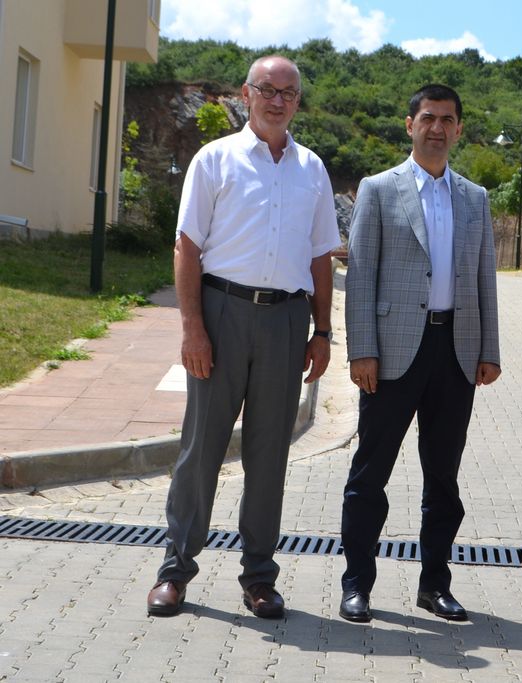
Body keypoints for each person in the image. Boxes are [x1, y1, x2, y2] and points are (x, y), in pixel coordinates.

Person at [146, 55, 339, 619]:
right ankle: (175, 570)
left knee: (268, 454)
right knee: (200, 449)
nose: (278, 100)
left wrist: (322, 330)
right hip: (222, 313)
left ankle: (259, 577)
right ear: (246, 95)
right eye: (267, 90)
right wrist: (192, 329)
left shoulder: (312, 170)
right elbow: (187, 247)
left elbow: (321, 254)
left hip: (285, 321)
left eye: (289, 92)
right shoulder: (216, 159)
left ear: (298, 101)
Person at [339, 83, 500, 623]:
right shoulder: (378, 190)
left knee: (443, 481)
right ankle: (357, 584)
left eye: (447, 119)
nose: (437, 127)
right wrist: (362, 349)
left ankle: (435, 585)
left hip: (454, 351)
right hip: (390, 353)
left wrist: (490, 350)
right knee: (370, 475)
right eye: (427, 118)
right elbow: (360, 274)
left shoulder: (474, 198)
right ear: (409, 125)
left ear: (458, 129)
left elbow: (484, 281)